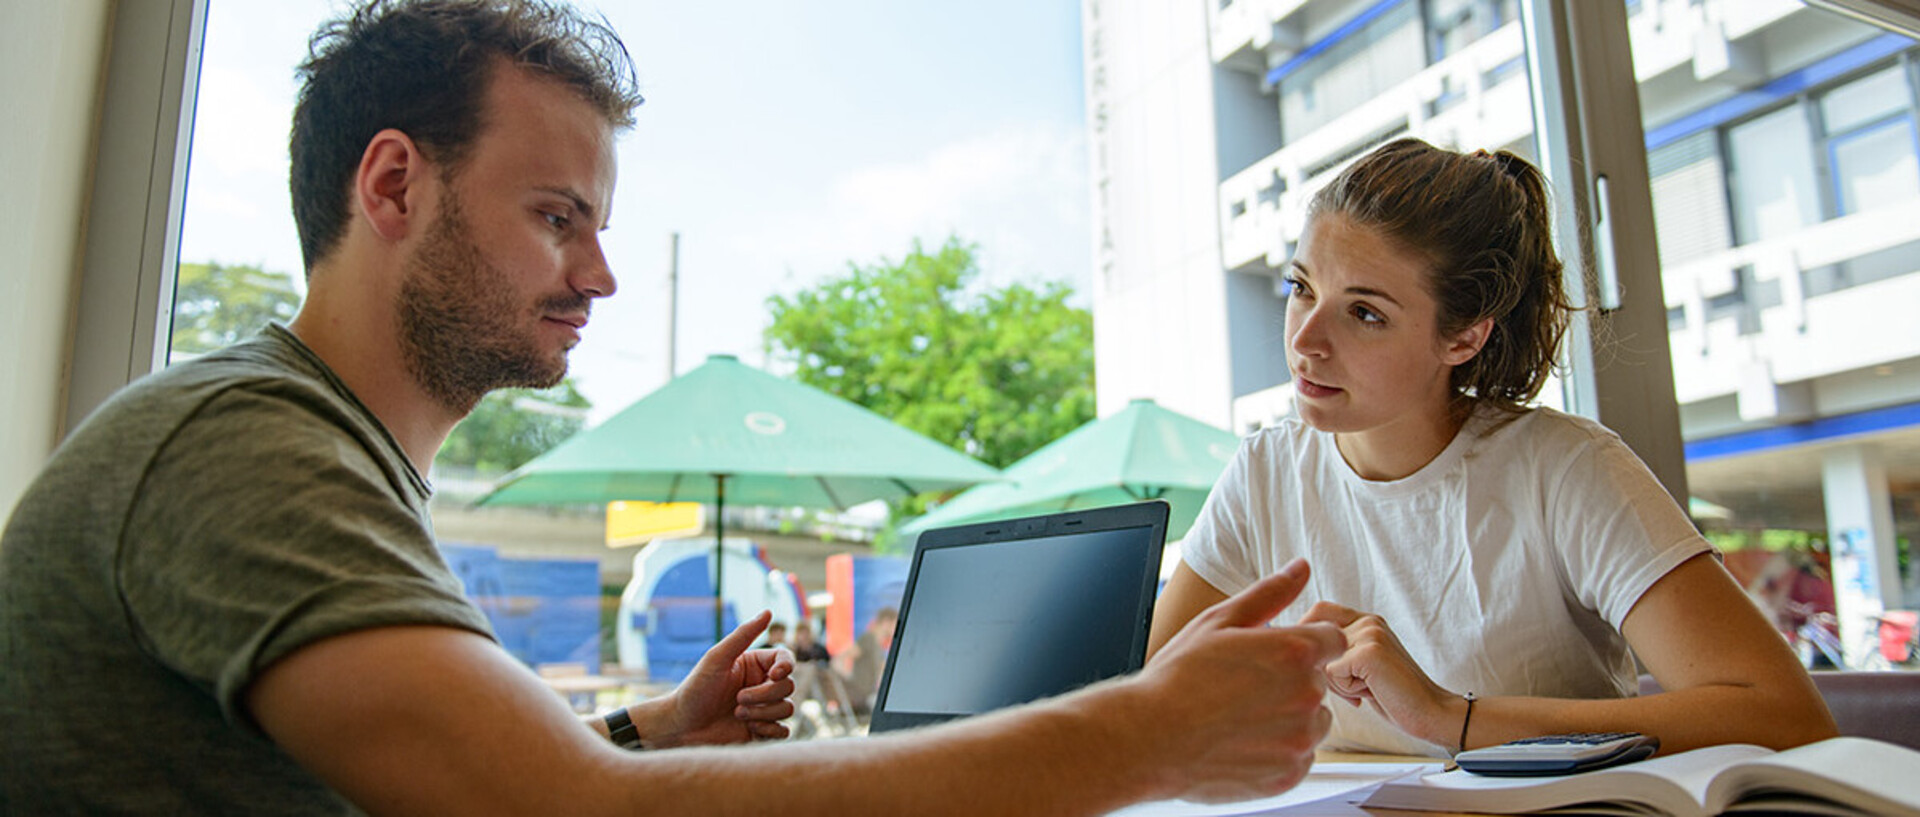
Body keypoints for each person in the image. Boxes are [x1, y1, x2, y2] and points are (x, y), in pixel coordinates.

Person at [0, 1, 1346, 813]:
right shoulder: (246, 451)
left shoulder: (306, 445)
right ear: (394, 187)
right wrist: (1143, 733)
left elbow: (459, 787)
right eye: (556, 217)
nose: (600, 272)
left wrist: (659, 730)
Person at [1146, 137, 1837, 759]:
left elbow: (1785, 714)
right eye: (1302, 287)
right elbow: (1141, 698)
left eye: (1365, 312)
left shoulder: (1565, 469)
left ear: (1464, 338)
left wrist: (1450, 716)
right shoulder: (1266, 470)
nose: (1305, 339)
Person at [835, 606, 898, 716]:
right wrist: (848, 677)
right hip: (863, 695)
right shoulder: (868, 639)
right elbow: (840, 658)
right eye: (894, 624)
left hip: (870, 693)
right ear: (886, 622)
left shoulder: (879, 645)